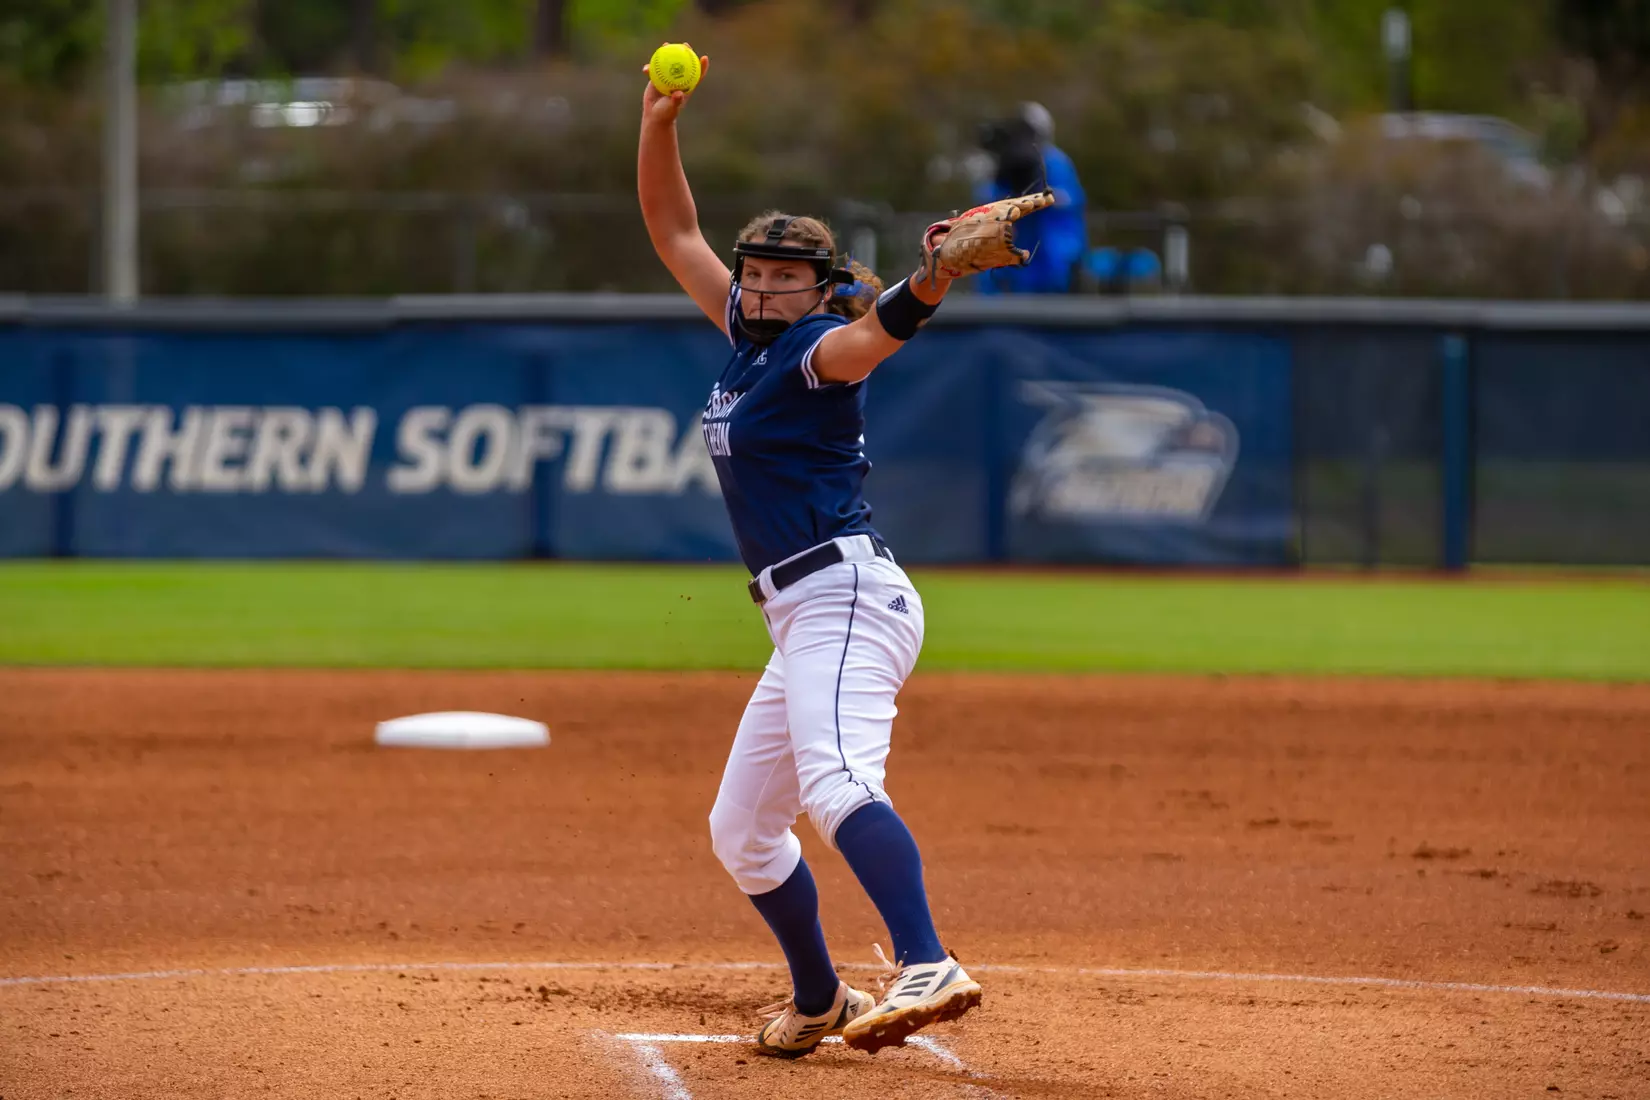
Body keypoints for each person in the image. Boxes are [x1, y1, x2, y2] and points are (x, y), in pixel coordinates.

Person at [636, 50, 1047, 1058]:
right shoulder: (745, 334)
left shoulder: (815, 352)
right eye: (759, 273)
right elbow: (674, 229)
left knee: (836, 780)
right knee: (742, 830)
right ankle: (818, 996)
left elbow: (876, 336)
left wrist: (937, 273)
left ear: (817, 287)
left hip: (845, 591)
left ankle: (926, 957)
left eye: (788, 276)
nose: (767, 286)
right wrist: (658, 123)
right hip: (797, 612)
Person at [973, 102, 1088, 295]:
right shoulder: (1007, 164)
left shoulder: (1056, 161)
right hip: (1021, 262)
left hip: (1056, 258)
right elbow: (987, 197)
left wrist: (1045, 197)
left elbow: (1072, 198)